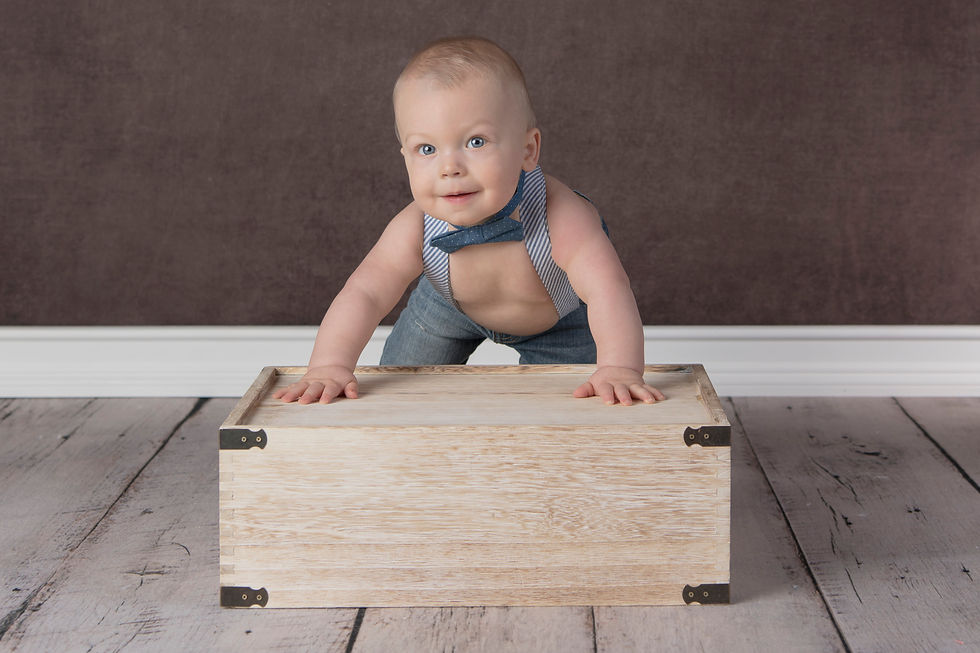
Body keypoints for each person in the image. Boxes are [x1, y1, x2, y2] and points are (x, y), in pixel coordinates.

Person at [274, 36, 664, 406]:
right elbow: (365, 292)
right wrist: (329, 365)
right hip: (446, 311)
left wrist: (619, 366)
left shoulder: (560, 215)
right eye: (426, 149)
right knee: (400, 392)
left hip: (558, 321)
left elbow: (607, 289)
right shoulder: (415, 225)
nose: (449, 168)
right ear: (405, 157)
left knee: (581, 407)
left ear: (528, 150)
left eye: (475, 142)